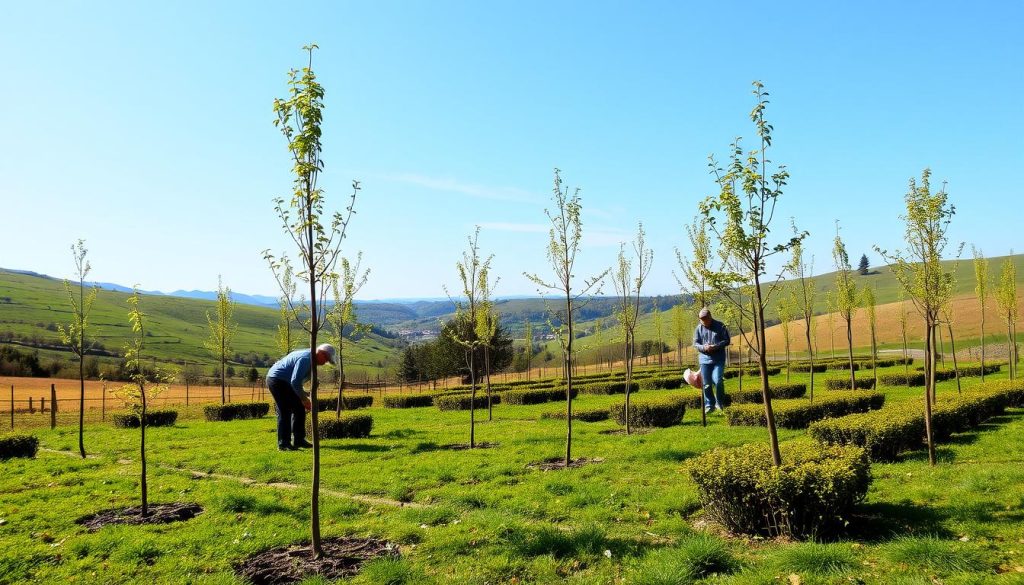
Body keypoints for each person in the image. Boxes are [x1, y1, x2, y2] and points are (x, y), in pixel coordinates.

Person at [265, 343, 336, 451]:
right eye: (326, 359)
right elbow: (295, 381)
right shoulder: (306, 358)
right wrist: (304, 399)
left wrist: (308, 389)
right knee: (285, 410)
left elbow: (299, 380)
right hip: (277, 380)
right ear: (321, 353)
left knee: (298, 409)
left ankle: (299, 440)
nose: (325, 362)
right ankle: (284, 444)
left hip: (286, 382)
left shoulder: (312, 359)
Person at [693, 307, 730, 413]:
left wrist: (715, 346)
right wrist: (704, 347)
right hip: (704, 359)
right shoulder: (698, 328)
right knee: (706, 383)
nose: (704, 322)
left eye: (706, 320)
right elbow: (695, 343)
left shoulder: (720, 326)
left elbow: (726, 340)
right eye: (702, 320)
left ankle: (720, 403)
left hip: (718, 359)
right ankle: (709, 405)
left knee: (718, 380)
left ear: (710, 317)